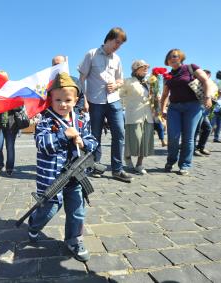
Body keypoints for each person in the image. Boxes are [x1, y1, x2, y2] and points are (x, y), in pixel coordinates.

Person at [28, 72, 98, 262]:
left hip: (75, 177)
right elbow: (43, 144)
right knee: (49, 210)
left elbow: (93, 142)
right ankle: (34, 224)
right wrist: (64, 135)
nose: (63, 104)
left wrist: (84, 142)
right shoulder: (45, 120)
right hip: (51, 178)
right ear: (50, 99)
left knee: (77, 210)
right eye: (58, 99)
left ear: (76, 100)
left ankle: (74, 239)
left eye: (67, 100)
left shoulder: (81, 121)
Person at [78, 27, 133, 182]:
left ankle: (117, 169)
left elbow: (121, 80)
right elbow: (81, 79)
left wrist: (116, 85)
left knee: (119, 133)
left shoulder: (117, 59)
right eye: (117, 42)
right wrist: (84, 100)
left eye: (121, 44)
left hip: (114, 100)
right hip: (95, 102)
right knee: (95, 136)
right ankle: (96, 166)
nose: (118, 46)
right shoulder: (91, 54)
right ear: (109, 39)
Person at [160, 49, 212, 176]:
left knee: (188, 138)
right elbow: (165, 94)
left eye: (175, 56)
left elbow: (205, 81)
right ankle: (171, 161)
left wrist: (208, 97)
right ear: (167, 61)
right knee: (173, 137)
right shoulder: (167, 76)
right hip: (174, 108)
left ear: (181, 57)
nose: (172, 58)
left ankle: (185, 165)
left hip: (193, 107)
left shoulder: (190, 68)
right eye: (170, 57)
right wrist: (162, 108)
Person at [120, 60, 154, 175]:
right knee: (135, 139)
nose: (146, 69)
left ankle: (139, 164)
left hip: (147, 115)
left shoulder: (150, 82)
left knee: (144, 141)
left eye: (147, 67)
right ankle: (127, 155)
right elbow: (119, 95)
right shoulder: (128, 81)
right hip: (133, 115)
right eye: (143, 67)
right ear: (135, 69)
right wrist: (124, 107)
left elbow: (153, 97)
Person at [0, 71, 21, 176]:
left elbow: (20, 106)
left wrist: (9, 102)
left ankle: (10, 167)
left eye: (3, 78)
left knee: (10, 147)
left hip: (11, 124)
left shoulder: (13, 90)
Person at [193, 70, 216, 156]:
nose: (207, 77)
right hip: (197, 107)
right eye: (206, 75)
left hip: (203, 109)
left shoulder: (209, 84)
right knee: (196, 129)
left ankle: (200, 147)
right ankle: (193, 149)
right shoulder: (196, 83)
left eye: (209, 76)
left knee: (207, 128)